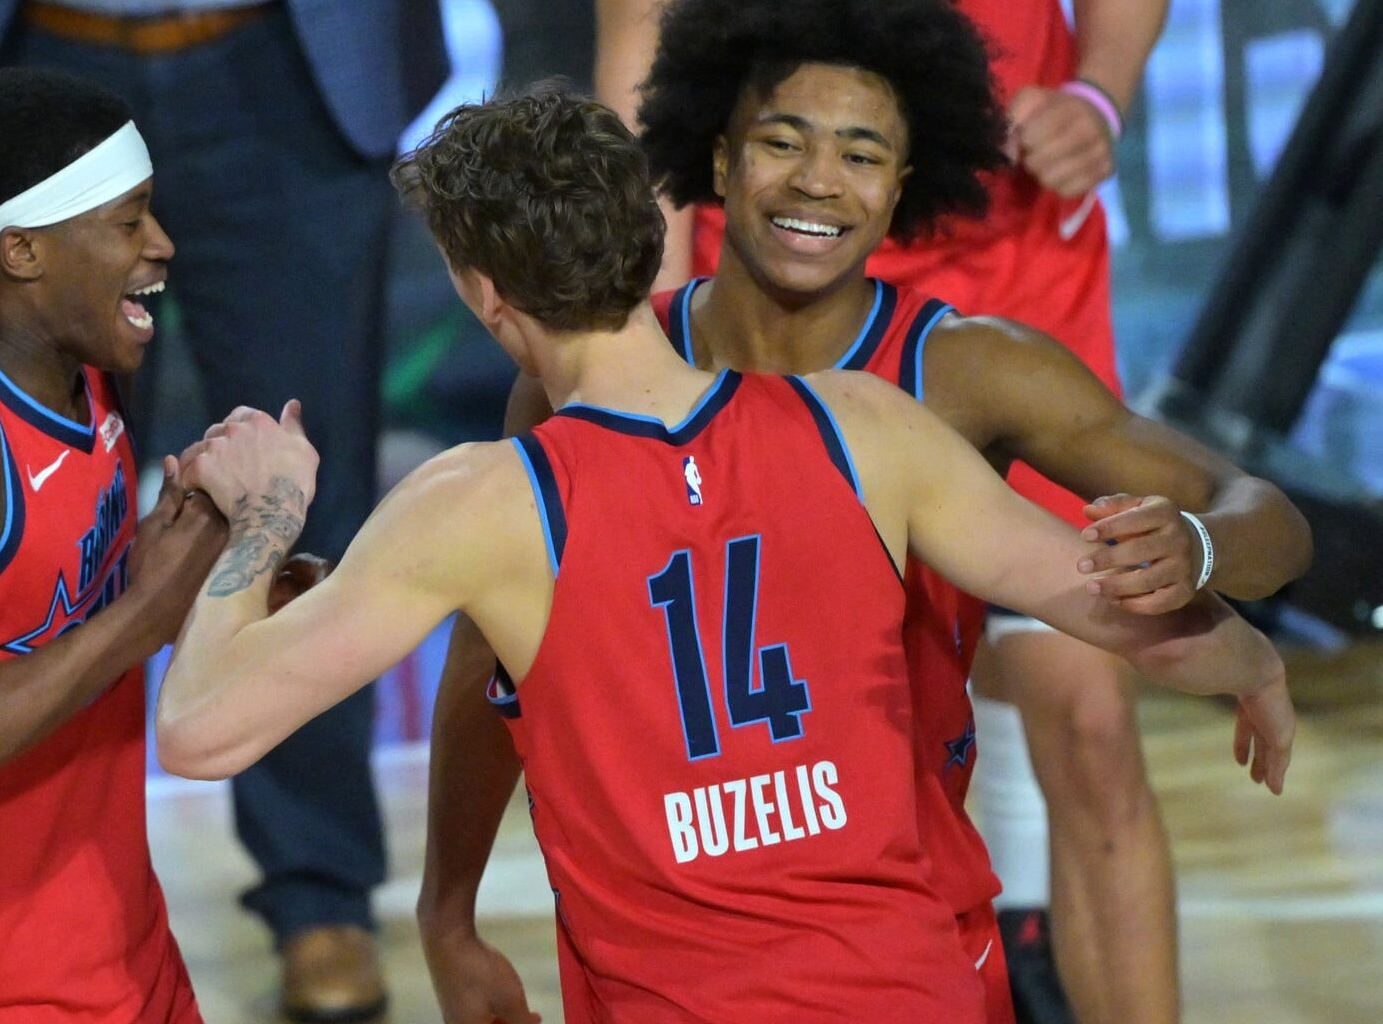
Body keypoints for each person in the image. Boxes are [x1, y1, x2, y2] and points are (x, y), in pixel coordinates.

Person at [149, 85, 1295, 1024]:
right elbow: (1144, 622)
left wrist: (264, 517)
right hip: (914, 992)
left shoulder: (477, 503)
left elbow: (200, 730)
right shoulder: (867, 425)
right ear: (649, 235)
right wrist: (1253, 663)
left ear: (483, 292)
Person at [0, 6, 450, 1016]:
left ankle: (317, 889)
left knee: (298, 485)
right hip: (35, 48)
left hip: (283, 63)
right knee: (42, 500)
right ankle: (35, 896)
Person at [668, 2, 1177, 1015]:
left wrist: (1098, 94)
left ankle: (1024, 931)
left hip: (1016, 272)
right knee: (797, 743)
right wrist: (646, 369)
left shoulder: (999, 351)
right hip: (775, 301)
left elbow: (1237, 520)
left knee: (1089, 721)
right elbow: (640, 65)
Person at [0, 68, 295, 1023]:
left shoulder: (87, 377)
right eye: (128, 221)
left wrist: (248, 570)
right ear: (25, 250)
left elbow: (53, 623)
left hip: (122, 946)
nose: (162, 244)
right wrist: (144, 614)